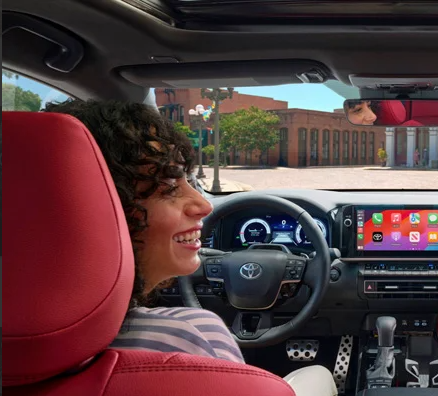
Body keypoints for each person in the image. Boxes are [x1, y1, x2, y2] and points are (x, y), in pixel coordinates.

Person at [44, 100, 338, 396]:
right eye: (170, 185)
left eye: (191, 181)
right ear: (95, 205)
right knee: (318, 375)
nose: (204, 205)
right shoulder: (188, 335)